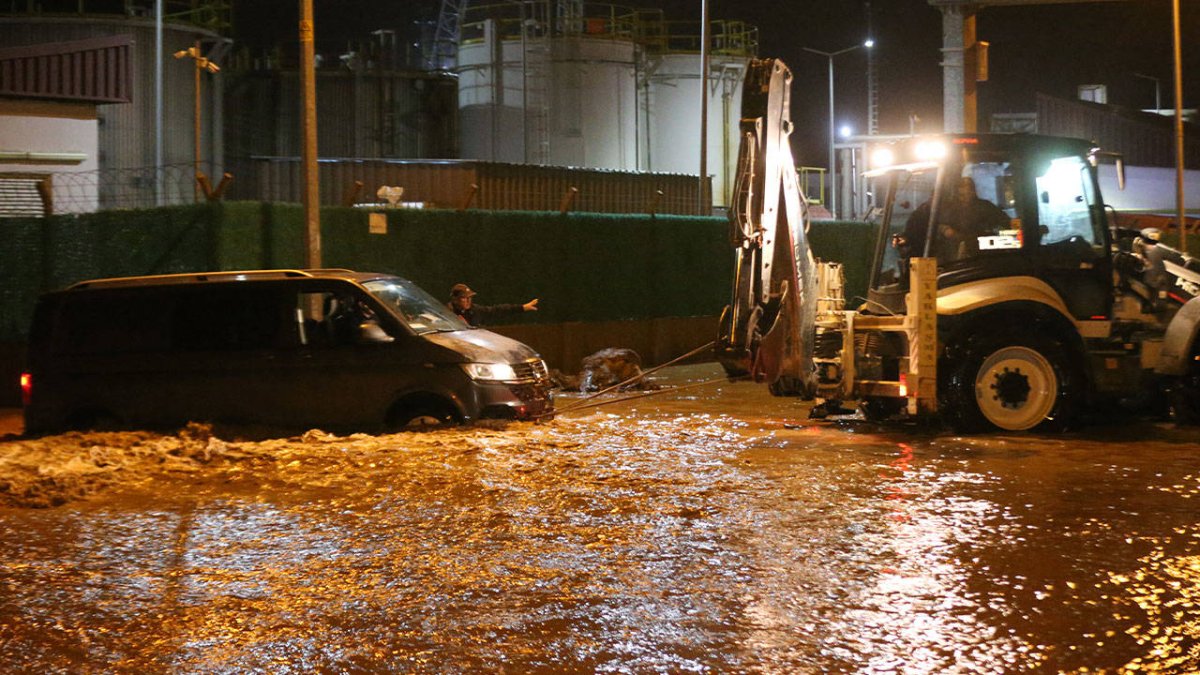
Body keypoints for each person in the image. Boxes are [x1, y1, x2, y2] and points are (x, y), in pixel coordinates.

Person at [449, 283, 538, 327]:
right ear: (455, 299)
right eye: (464, 297)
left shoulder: (475, 310)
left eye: (470, 297)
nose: (468, 300)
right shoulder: (447, 313)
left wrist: (522, 308)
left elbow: (497, 310)